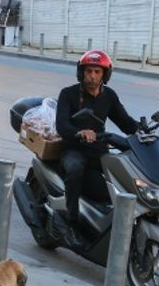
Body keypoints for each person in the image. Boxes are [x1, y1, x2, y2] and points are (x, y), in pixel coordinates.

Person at [55, 49, 139, 246]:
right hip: (74, 150)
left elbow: (125, 122)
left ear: (105, 74)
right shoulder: (68, 94)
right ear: (82, 72)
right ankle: (72, 224)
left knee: (123, 176)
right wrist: (80, 132)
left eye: (97, 72)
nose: (93, 76)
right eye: (89, 71)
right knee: (75, 170)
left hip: (99, 151)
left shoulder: (108, 96)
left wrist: (144, 131)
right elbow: (62, 126)